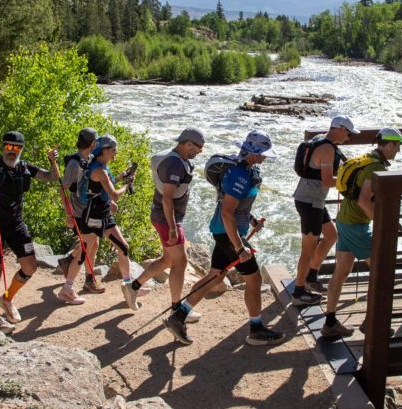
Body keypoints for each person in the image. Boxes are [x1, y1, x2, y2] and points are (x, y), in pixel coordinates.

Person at [164, 130, 286, 347]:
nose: (265, 157)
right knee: (255, 280)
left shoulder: (247, 170)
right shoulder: (240, 174)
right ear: (253, 153)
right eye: (263, 153)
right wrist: (239, 247)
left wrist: (251, 220)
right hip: (229, 234)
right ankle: (256, 329)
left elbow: (236, 206)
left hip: (225, 231)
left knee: (216, 276)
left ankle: (179, 316)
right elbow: (227, 212)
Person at [0, 131, 59, 333]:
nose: (12, 151)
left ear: (21, 149)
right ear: (2, 147)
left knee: (30, 266)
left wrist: (53, 161)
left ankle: (7, 298)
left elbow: (52, 177)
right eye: (8, 147)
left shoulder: (24, 167)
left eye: (16, 148)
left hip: (17, 224)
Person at [321, 128, 402, 338]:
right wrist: (385, 222)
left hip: (344, 220)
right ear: (389, 145)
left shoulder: (364, 159)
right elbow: (363, 200)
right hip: (356, 226)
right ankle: (372, 324)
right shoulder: (376, 168)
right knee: (383, 272)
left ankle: (330, 322)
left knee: (341, 272)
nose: (398, 151)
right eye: (398, 146)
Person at [123, 128, 206, 316]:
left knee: (168, 259)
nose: (199, 152)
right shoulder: (175, 165)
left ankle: (133, 287)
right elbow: (168, 198)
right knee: (180, 263)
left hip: (161, 215)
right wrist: (172, 228)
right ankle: (177, 309)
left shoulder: (168, 156)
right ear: (187, 144)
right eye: (198, 148)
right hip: (168, 219)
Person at [291, 115, 356, 307]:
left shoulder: (318, 139)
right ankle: (299, 291)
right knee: (308, 249)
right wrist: (352, 182)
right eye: (349, 133)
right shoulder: (327, 148)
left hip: (310, 199)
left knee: (331, 235)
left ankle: (311, 275)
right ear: (341, 129)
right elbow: (327, 181)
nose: (349, 138)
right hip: (311, 202)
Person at [75, 135, 137, 304]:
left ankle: (127, 284)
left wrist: (122, 176)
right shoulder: (99, 170)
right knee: (86, 249)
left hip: (102, 213)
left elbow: (105, 185)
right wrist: (126, 185)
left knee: (119, 247)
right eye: (113, 150)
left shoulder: (102, 167)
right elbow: (114, 194)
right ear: (104, 150)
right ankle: (68, 285)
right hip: (93, 214)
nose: (116, 153)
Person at [57, 127, 101, 304]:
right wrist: (68, 213)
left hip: (89, 209)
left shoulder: (89, 160)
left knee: (93, 244)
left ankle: (88, 278)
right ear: (92, 144)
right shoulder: (75, 163)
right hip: (79, 211)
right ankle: (68, 288)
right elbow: (63, 188)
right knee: (86, 247)